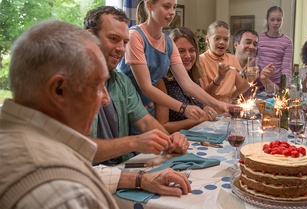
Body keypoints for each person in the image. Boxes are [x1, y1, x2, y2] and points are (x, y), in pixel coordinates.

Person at [0, 20, 191, 209]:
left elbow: (82, 168)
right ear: (59, 90)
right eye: (98, 86)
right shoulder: (64, 195)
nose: (105, 99)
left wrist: (141, 178)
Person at [83, 6, 189, 165]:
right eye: (113, 38)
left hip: (119, 168)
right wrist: (134, 142)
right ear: (90, 37)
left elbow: (145, 121)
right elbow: (79, 149)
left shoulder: (122, 81)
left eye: (125, 42)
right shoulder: (70, 83)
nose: (120, 49)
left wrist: (169, 141)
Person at [117, 0, 228, 123]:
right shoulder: (135, 36)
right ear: (149, 6)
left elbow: (187, 83)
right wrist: (183, 108)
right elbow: (146, 87)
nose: (172, 12)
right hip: (125, 106)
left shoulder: (168, 42)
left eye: (174, 7)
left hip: (146, 109)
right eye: (166, 6)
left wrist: (218, 104)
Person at [155, 27, 218, 133]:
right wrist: (200, 118)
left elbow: (202, 109)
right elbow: (163, 127)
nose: (188, 56)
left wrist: (207, 111)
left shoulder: (194, 76)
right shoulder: (162, 80)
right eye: (181, 51)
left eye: (192, 50)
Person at [199, 21, 276, 102]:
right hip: (209, 109)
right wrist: (219, 78)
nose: (222, 42)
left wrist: (250, 79)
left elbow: (240, 88)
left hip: (227, 108)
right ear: (207, 39)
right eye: (217, 38)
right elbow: (203, 95)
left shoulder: (232, 59)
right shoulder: (201, 60)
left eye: (226, 39)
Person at [257, 6, 293, 87]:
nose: (275, 23)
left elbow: (286, 67)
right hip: (259, 83)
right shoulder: (259, 38)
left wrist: (286, 86)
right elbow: (254, 61)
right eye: (272, 20)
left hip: (277, 84)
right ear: (267, 20)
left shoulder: (287, 42)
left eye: (278, 20)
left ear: (282, 21)